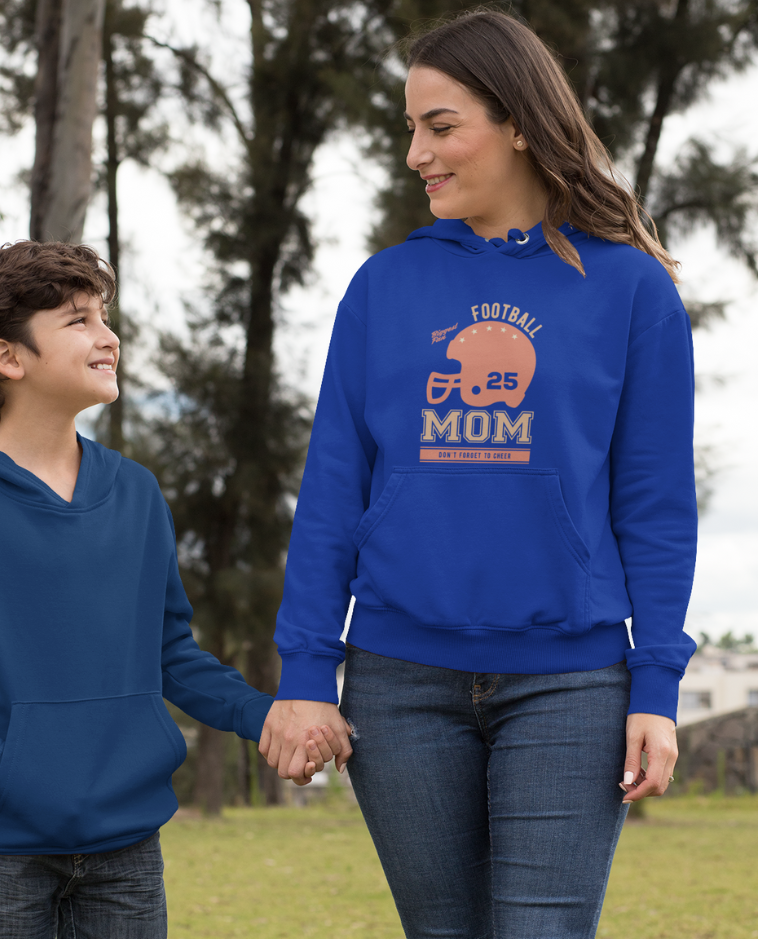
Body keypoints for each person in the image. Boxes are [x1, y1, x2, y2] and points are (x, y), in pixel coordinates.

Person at [259, 10, 697, 938]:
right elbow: (333, 489)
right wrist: (305, 669)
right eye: (409, 128)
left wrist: (654, 688)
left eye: (441, 125)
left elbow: (655, 506)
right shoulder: (383, 287)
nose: (416, 152)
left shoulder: (630, 289)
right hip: (397, 679)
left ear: (521, 124)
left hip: (569, 683)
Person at [0, 240, 342, 939]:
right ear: (9, 357)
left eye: (105, 317)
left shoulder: (136, 494)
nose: (107, 336)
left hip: (127, 845)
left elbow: (170, 654)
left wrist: (262, 717)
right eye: (79, 320)